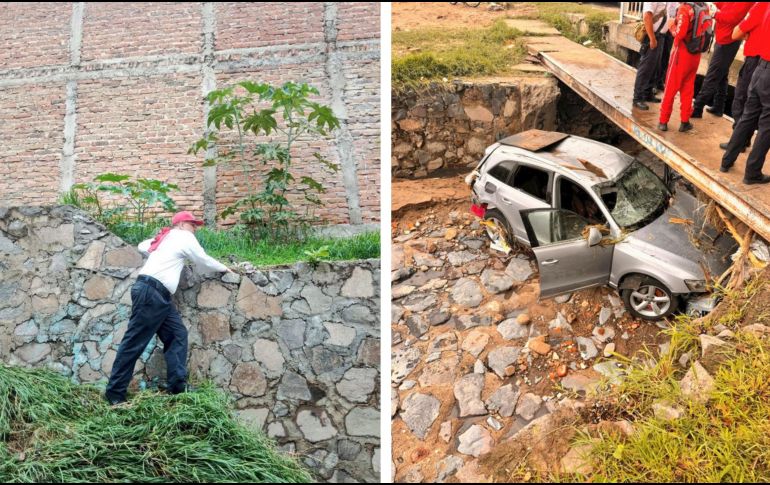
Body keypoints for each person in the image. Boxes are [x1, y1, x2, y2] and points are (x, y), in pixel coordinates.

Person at [104, 211, 232, 405]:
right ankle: (115, 394)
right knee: (134, 343)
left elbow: (142, 245)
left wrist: (159, 239)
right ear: (180, 225)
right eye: (191, 224)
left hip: (157, 294)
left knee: (177, 334)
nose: (194, 228)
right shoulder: (183, 236)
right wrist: (225, 268)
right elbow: (202, 259)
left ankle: (177, 386)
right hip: (151, 293)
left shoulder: (168, 238)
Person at [719, 5, 770, 184]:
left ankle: (726, 161)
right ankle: (752, 172)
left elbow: (744, 30)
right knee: (766, 126)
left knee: (748, 117)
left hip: (760, 67)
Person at [691, 2, 754, 118]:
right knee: (722, 73)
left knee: (712, 75)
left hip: (728, 40)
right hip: (724, 37)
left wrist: (715, 14)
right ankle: (719, 106)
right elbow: (726, 5)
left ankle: (697, 107)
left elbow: (733, 17)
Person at [658, 2, 706, 133]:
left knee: (670, 87)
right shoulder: (704, 7)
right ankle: (685, 121)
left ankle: (663, 121)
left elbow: (680, 33)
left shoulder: (685, 9)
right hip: (696, 54)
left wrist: (671, 25)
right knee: (688, 88)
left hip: (682, 53)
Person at [633, 2, 669, 110]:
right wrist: (652, 38)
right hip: (653, 37)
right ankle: (638, 98)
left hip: (661, 36)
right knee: (645, 68)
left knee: (655, 67)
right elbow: (647, 16)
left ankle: (647, 94)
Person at [652, 2, 680, 93]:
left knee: (666, 56)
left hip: (671, 26)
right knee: (658, 57)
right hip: (661, 27)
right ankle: (653, 84)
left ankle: (659, 81)